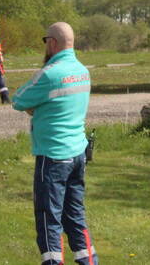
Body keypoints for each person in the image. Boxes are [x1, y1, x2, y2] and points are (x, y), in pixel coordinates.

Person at [12, 22, 97, 265]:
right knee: (76, 215)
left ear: (52, 42)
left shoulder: (49, 73)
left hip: (52, 156)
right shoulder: (83, 70)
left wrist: (37, 109)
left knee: (49, 218)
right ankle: (89, 260)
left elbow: (18, 99)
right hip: (77, 153)